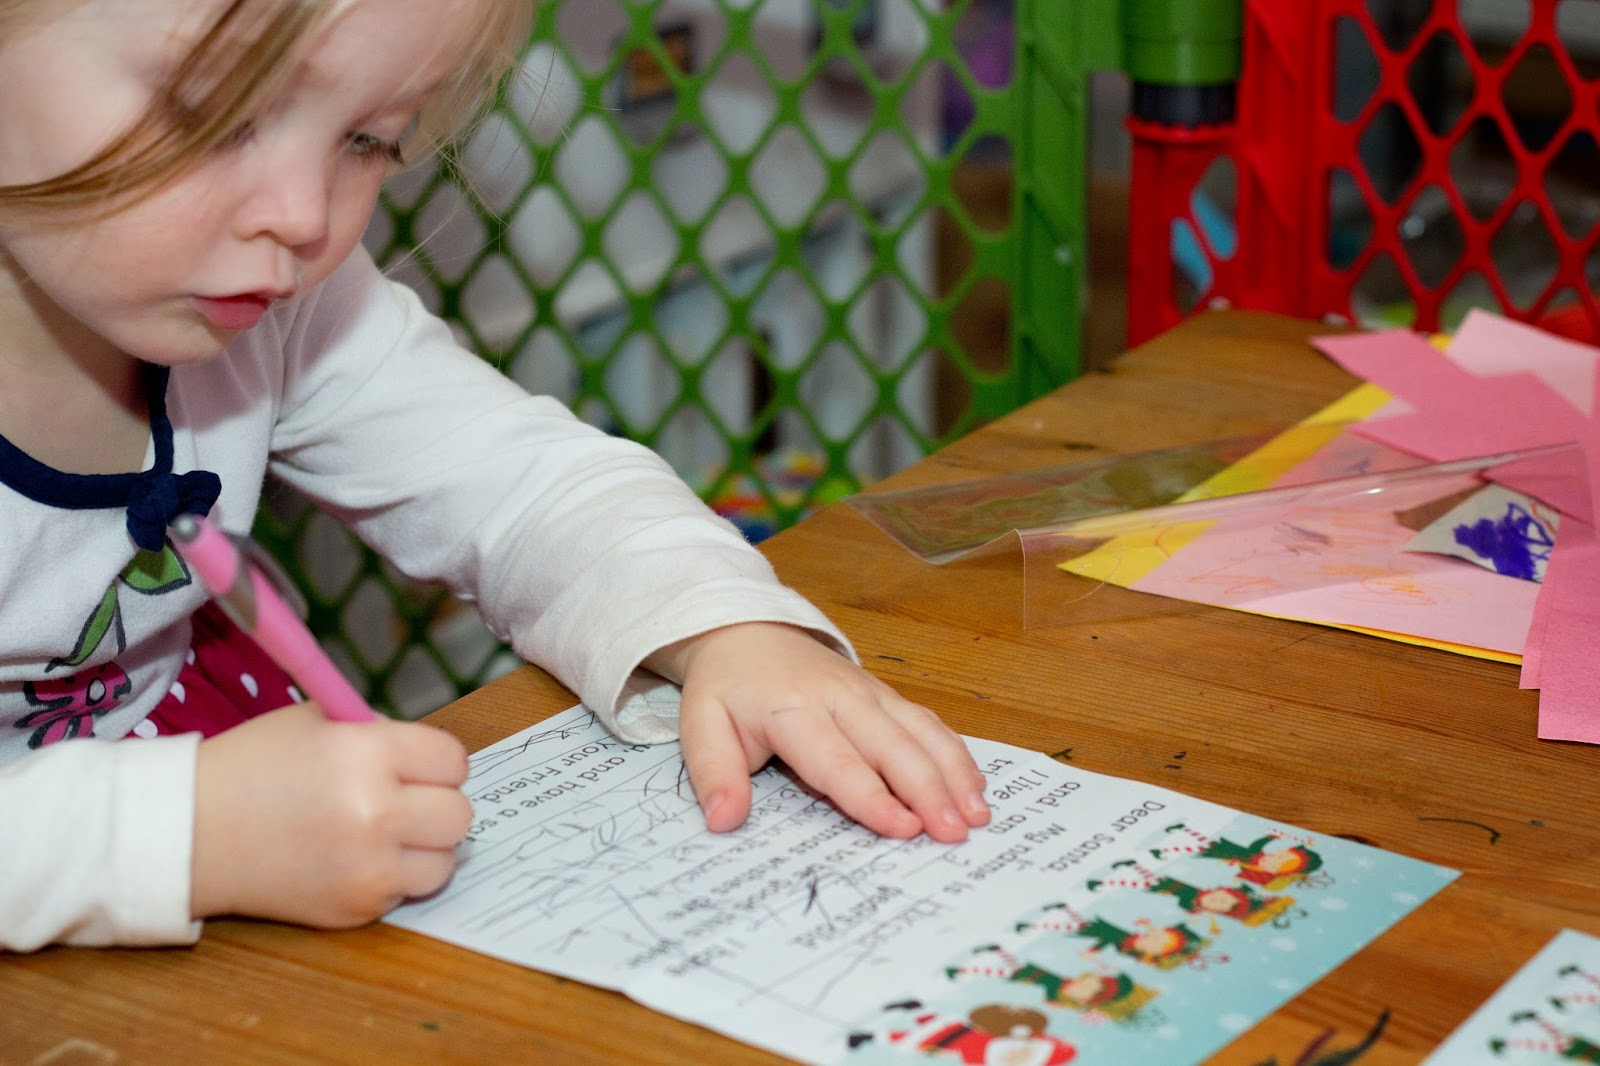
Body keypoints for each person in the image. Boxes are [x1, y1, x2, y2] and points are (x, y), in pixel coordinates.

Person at [0, 0, 990, 951]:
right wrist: (172, 839)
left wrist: (726, 625)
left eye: (369, 139)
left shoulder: (283, 306)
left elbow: (518, 482)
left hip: (243, 804)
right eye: (212, 111)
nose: (304, 218)